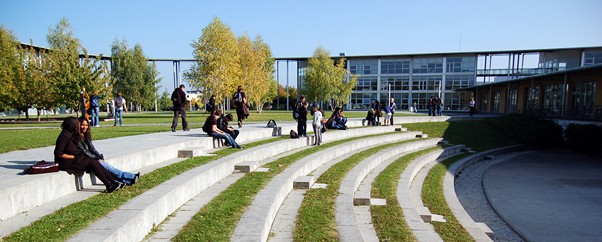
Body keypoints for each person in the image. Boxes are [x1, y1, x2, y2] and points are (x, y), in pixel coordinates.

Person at [54, 117, 123, 193]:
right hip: (66, 162)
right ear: (72, 125)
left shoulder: (71, 134)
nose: (79, 126)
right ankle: (109, 185)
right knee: (92, 162)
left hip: (76, 159)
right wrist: (73, 157)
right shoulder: (64, 136)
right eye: (77, 124)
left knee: (94, 161)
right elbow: (58, 153)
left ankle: (113, 182)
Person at [78, 117, 139, 185]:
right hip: (87, 160)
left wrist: (99, 156)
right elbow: (84, 152)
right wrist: (97, 158)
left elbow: (92, 149)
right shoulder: (77, 138)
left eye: (86, 125)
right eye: (82, 125)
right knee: (108, 167)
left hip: (92, 158)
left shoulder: (86, 136)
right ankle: (131, 176)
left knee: (107, 169)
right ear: (78, 125)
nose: (84, 127)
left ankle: (128, 181)